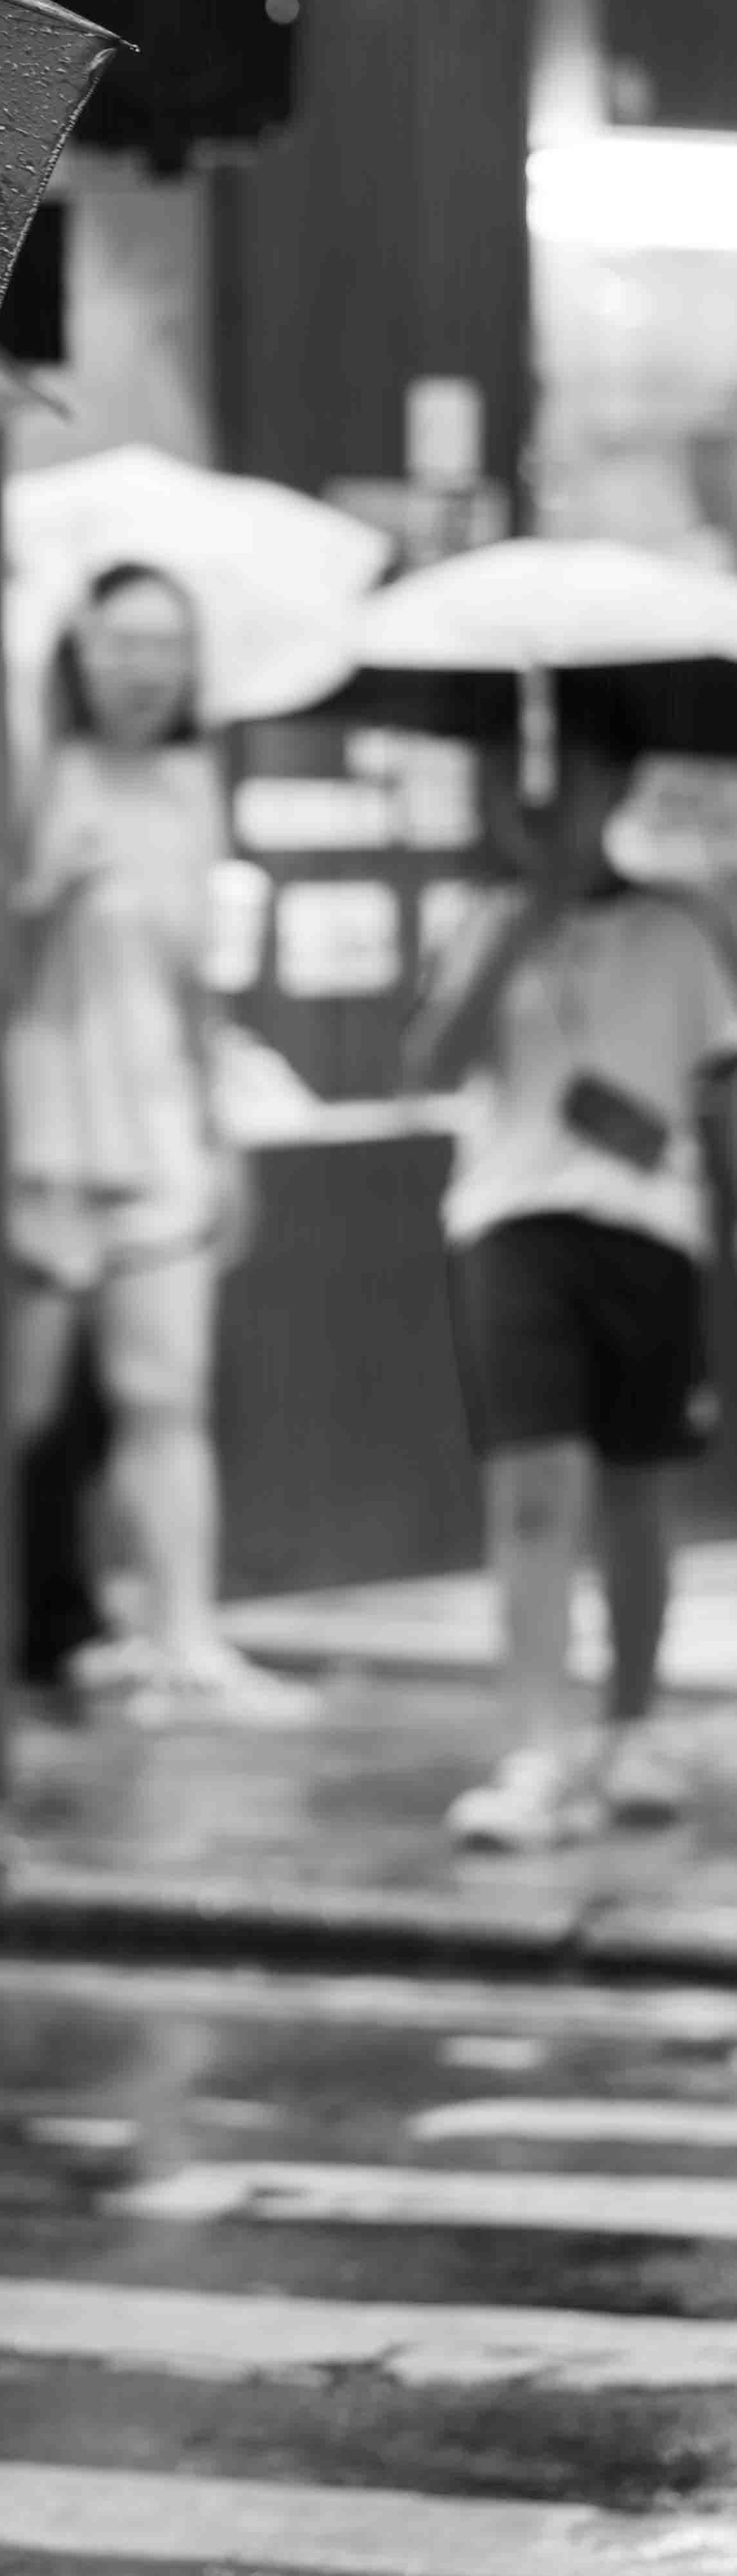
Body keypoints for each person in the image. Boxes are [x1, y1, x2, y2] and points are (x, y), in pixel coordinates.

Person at [408, 690, 737, 1852]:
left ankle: (635, 1723)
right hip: (512, 1225)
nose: (542, 800)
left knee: (641, 1485)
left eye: (570, 776)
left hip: (651, 1232)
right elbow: (436, 1059)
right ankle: (537, 1747)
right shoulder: (486, 916)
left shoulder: (679, 930)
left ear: (618, 783)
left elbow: (717, 1094)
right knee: (534, 1484)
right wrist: (527, 910)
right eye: (519, 779)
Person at [6, 563, 310, 1726]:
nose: (143, 667)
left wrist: (222, 1125)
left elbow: (199, 988)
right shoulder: (36, 769)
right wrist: (39, 892)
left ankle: (187, 1638)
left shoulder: (194, 781)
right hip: (44, 1125)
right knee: (9, 1407)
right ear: (77, 651)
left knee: (166, 1393)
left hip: (161, 1120)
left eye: (165, 645)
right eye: (120, 642)